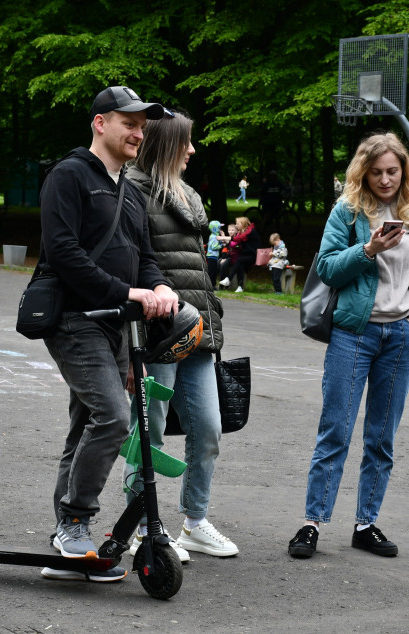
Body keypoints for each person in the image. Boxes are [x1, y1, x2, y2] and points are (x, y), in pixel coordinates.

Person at [287, 131, 409, 560]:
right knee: (336, 430)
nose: (384, 180)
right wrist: (368, 249)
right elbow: (325, 267)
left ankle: (366, 524)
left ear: (404, 171)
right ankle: (312, 523)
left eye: (392, 171)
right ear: (363, 172)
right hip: (352, 335)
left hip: (401, 335)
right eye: (376, 172)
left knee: (381, 436)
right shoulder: (348, 211)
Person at [38, 85, 178, 582]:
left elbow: (146, 256)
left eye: (144, 125)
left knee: (87, 426)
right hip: (75, 321)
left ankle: (68, 544)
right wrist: (130, 292)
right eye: (130, 122)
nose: (140, 132)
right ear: (101, 123)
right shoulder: (69, 176)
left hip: (116, 327)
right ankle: (75, 519)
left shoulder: (131, 190)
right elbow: (63, 253)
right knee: (115, 418)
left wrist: (158, 284)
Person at [123, 109, 240, 561]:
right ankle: (139, 527)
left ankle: (194, 523)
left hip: (197, 332)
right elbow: (132, 266)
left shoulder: (188, 193)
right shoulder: (131, 189)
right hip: (154, 335)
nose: (192, 150)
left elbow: (197, 273)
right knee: (147, 432)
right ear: (166, 144)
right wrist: (127, 346)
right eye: (185, 142)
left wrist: (211, 325)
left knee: (208, 428)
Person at [218, 216, 259, 293]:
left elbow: (238, 239)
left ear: (242, 223)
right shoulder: (244, 231)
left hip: (252, 255)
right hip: (246, 254)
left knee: (239, 261)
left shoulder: (250, 231)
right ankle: (240, 287)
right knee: (240, 264)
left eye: (237, 224)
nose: (236, 225)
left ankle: (228, 280)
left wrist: (223, 238)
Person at [205, 220, 224, 288]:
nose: (220, 229)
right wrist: (222, 245)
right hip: (211, 256)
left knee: (214, 271)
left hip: (214, 257)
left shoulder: (214, 236)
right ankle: (211, 285)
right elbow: (213, 247)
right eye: (219, 228)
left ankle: (212, 284)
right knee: (212, 272)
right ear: (215, 228)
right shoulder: (213, 237)